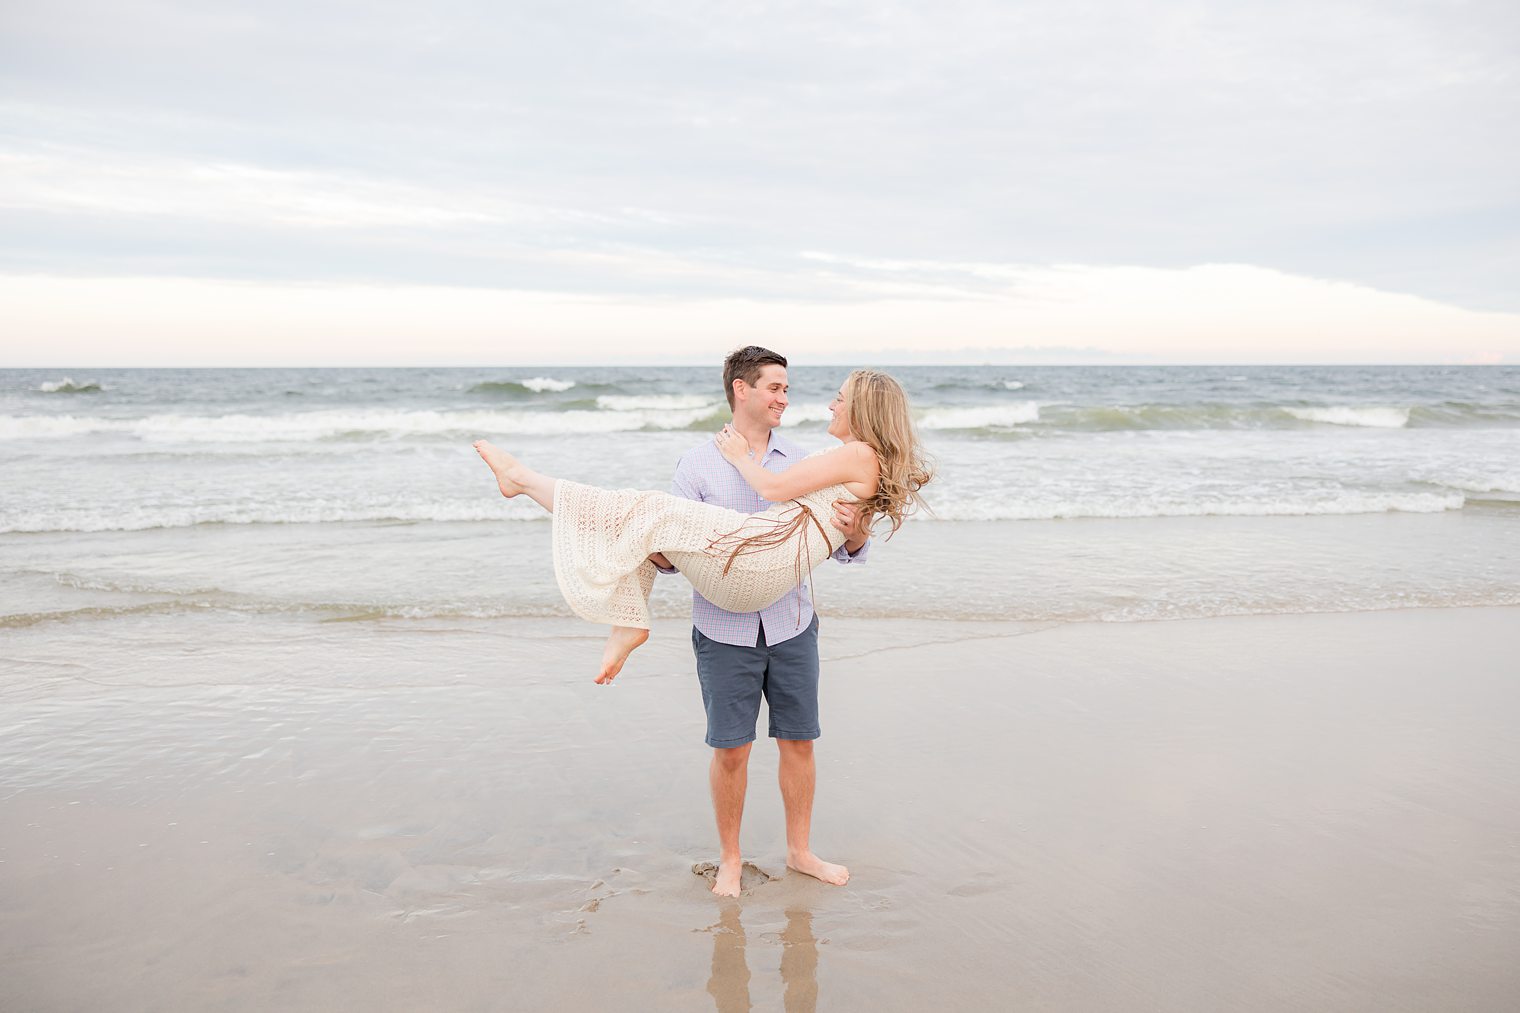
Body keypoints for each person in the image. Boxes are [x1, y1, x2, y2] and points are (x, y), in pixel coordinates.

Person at [473, 351, 930, 897]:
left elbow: (833, 538)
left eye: (829, 395)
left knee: (798, 740)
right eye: (776, 387)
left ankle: (530, 490)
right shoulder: (698, 464)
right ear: (742, 390)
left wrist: (851, 527)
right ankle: (730, 859)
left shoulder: (825, 455)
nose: (792, 398)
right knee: (730, 746)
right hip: (727, 611)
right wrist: (661, 552)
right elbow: (674, 554)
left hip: (782, 607)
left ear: (863, 409)